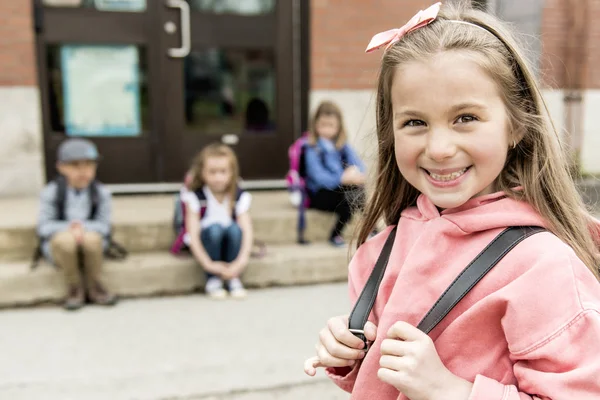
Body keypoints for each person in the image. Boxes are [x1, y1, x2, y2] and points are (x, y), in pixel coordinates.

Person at [303, 2, 600, 399]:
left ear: (516, 125)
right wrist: (352, 352)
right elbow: (383, 381)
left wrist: (450, 391)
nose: (439, 148)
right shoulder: (380, 251)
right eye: (415, 122)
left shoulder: (543, 266)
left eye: (465, 118)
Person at [37, 138, 117, 311]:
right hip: (60, 244)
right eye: (75, 166)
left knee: (92, 239)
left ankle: (95, 285)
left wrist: (82, 228)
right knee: (67, 241)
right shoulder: (51, 193)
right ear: (61, 167)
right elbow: (44, 227)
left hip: (90, 241)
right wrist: (71, 229)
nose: (83, 171)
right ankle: (74, 288)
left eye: (88, 165)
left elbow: (104, 226)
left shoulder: (101, 193)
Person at [179, 143, 253, 299]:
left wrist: (240, 263)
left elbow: (247, 230)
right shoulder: (196, 197)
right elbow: (192, 233)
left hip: (230, 243)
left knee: (234, 230)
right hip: (207, 242)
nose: (218, 177)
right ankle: (213, 279)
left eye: (223, 172)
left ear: (232, 173)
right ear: (202, 173)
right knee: (215, 230)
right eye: (212, 172)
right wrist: (209, 265)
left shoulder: (238, 196)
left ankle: (233, 276)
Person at [303, 100, 367, 247]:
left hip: (340, 189)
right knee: (347, 198)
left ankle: (370, 228)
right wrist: (342, 178)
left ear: (338, 127)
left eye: (331, 126)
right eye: (322, 125)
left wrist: (355, 173)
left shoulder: (342, 146)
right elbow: (318, 177)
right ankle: (335, 234)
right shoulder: (312, 148)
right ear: (315, 125)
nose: (326, 130)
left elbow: (359, 166)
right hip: (319, 194)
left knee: (357, 192)